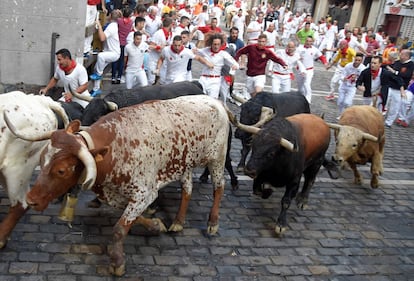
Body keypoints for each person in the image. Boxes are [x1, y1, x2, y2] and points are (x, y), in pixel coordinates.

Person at [356, 56, 405, 128]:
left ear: (380, 64)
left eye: (375, 63)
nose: (372, 65)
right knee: (366, 111)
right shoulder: (366, 72)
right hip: (368, 94)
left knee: (375, 111)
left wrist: (402, 90)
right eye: (371, 63)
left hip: (380, 94)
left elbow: (398, 79)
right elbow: (358, 82)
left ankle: (373, 126)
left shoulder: (385, 73)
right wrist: (360, 87)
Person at [235, 33, 287, 98]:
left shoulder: (268, 52)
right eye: (259, 41)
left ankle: (258, 105)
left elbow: (276, 59)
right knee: (252, 94)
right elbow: (240, 52)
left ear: (266, 42)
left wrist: (283, 64)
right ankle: (257, 104)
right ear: (257, 41)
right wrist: (235, 61)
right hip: (250, 75)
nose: (261, 43)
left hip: (260, 75)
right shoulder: (251, 47)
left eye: (263, 42)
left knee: (258, 91)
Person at [89, 9, 122, 97]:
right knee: (96, 68)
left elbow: (102, 38)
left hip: (113, 53)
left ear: (111, 16)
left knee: (101, 57)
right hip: (111, 52)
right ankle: (96, 89)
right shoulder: (113, 25)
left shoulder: (112, 26)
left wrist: (99, 26)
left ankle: (98, 75)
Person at [197, 33, 239, 99]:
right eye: (214, 44)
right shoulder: (205, 50)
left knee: (212, 101)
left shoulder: (223, 54)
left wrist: (234, 67)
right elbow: (194, 53)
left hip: (215, 80)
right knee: (200, 99)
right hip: (203, 78)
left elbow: (235, 64)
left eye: (218, 44)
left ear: (221, 44)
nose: (216, 46)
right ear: (211, 43)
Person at [296, 36, 328, 103]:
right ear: (305, 41)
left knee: (307, 84)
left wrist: (325, 63)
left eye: (310, 41)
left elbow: (321, 56)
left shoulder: (314, 49)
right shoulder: (299, 48)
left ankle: (308, 100)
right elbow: (296, 57)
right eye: (307, 41)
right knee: (300, 88)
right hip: (300, 70)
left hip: (309, 70)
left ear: (312, 42)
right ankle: (301, 98)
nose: (308, 43)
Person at [336, 53, 366, 117]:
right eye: (356, 60)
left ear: (361, 61)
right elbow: (342, 74)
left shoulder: (363, 69)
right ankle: (341, 115)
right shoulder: (348, 65)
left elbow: (363, 79)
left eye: (359, 60)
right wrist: (343, 78)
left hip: (352, 87)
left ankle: (347, 114)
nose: (357, 62)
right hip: (344, 85)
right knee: (340, 102)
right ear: (354, 59)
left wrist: (356, 79)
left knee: (347, 102)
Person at [147, 17, 174, 85]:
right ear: (170, 25)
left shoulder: (170, 34)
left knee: (162, 79)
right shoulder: (158, 33)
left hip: (162, 60)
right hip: (153, 59)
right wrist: (159, 47)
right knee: (151, 80)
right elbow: (151, 46)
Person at [111, 7, 133, 84]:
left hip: (117, 42)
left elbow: (117, 20)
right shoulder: (131, 22)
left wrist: (120, 14)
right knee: (121, 61)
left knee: (115, 60)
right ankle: (119, 77)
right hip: (125, 43)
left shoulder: (119, 21)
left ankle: (113, 77)